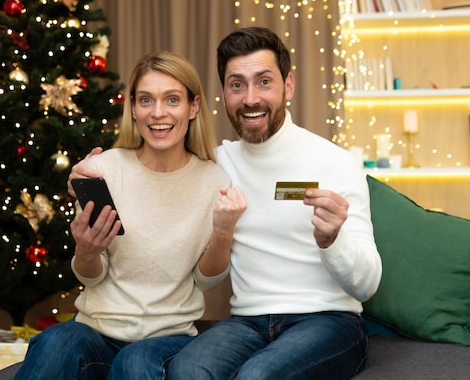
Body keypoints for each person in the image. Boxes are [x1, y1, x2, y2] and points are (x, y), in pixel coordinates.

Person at [69, 27, 382, 380]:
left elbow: (367, 285)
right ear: (223, 94)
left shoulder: (335, 162)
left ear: (288, 86)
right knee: (185, 370)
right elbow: (155, 176)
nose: (250, 98)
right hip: (248, 321)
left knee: (256, 377)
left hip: (328, 319)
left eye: (264, 81)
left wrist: (333, 241)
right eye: (237, 84)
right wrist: (79, 181)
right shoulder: (217, 166)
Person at [14, 51, 246, 380]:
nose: (158, 113)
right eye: (146, 100)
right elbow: (90, 277)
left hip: (169, 339)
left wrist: (223, 235)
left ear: (193, 107)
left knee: (135, 363)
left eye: (172, 100)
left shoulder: (214, 181)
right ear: (133, 109)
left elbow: (205, 281)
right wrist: (87, 251)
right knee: (55, 343)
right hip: (96, 332)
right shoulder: (103, 171)